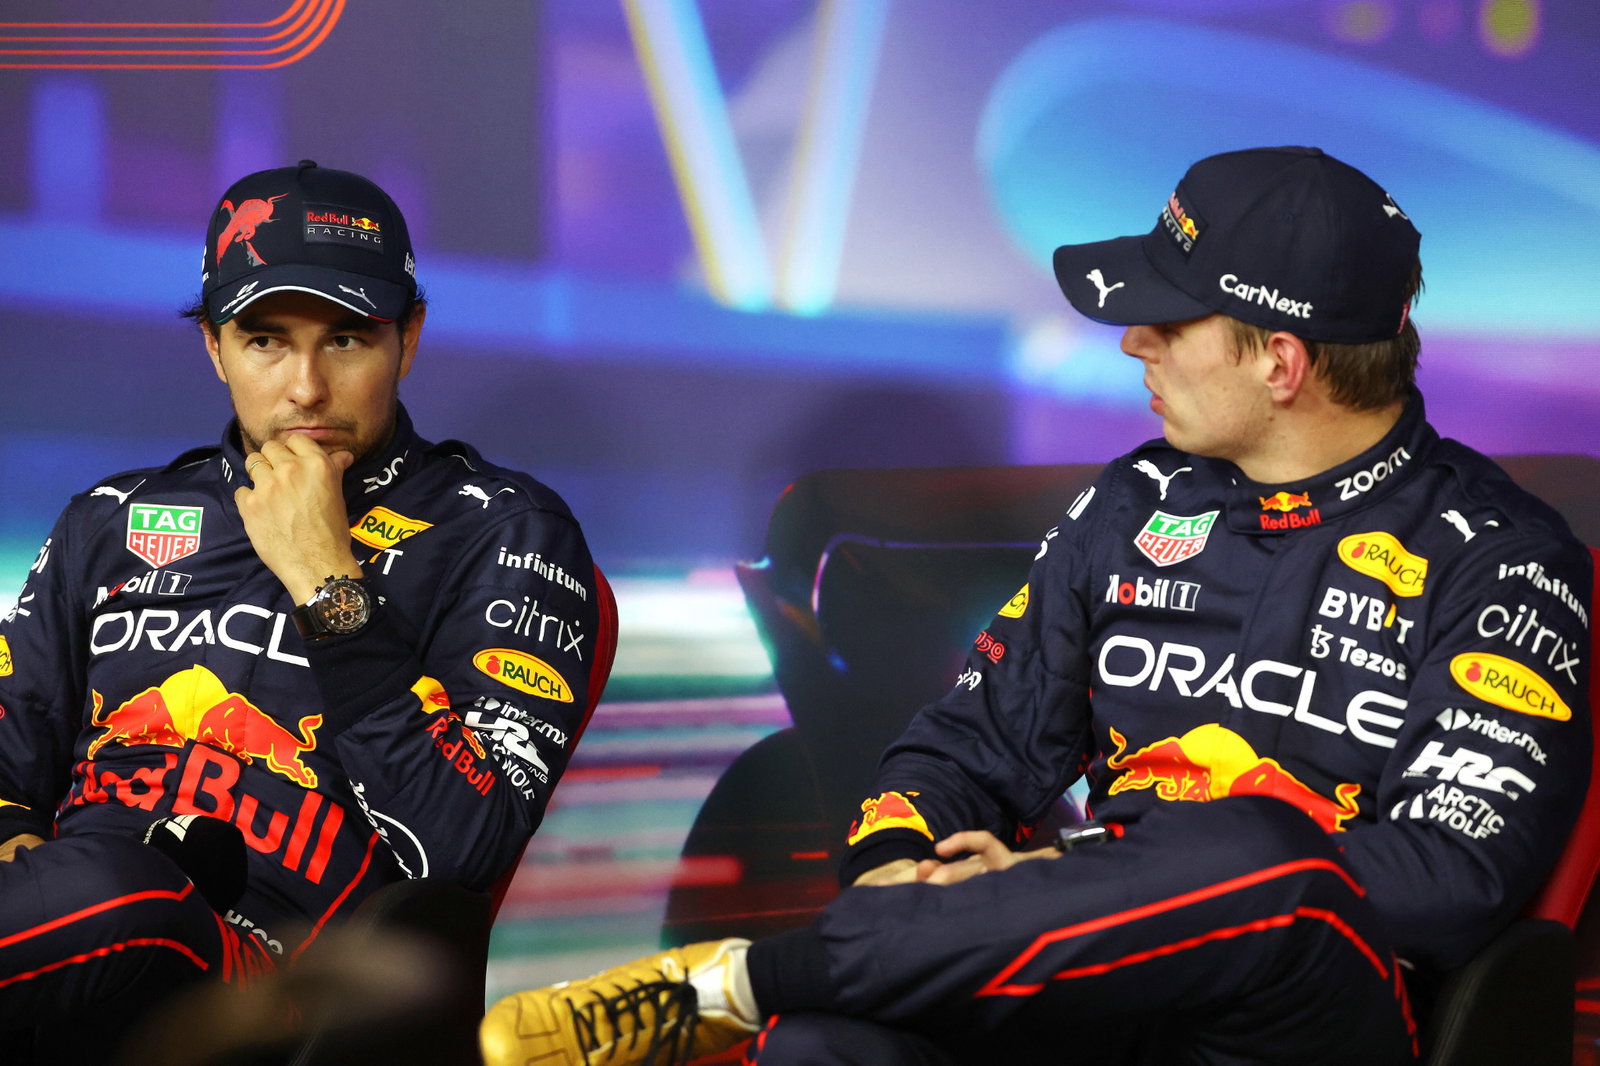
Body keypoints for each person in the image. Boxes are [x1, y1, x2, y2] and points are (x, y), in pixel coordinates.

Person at [479, 146, 1592, 1066]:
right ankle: (807, 980)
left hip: (1305, 1018)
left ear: (1281, 362)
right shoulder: (1131, 501)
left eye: (1170, 319)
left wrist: (1069, 876)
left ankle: (736, 979)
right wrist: (902, 867)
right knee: (831, 1043)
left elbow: (1447, 879)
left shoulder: (1504, 563)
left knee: (1269, 853)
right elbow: (968, 744)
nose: (1133, 341)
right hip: (1078, 982)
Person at [0, 160, 607, 1060]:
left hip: (280, 991)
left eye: (348, 340)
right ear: (213, 347)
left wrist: (329, 582)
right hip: (57, 954)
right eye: (266, 340)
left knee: (129, 890)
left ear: (409, 336)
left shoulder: (504, 530)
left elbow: (461, 857)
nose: (306, 390)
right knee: (98, 883)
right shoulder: (111, 517)